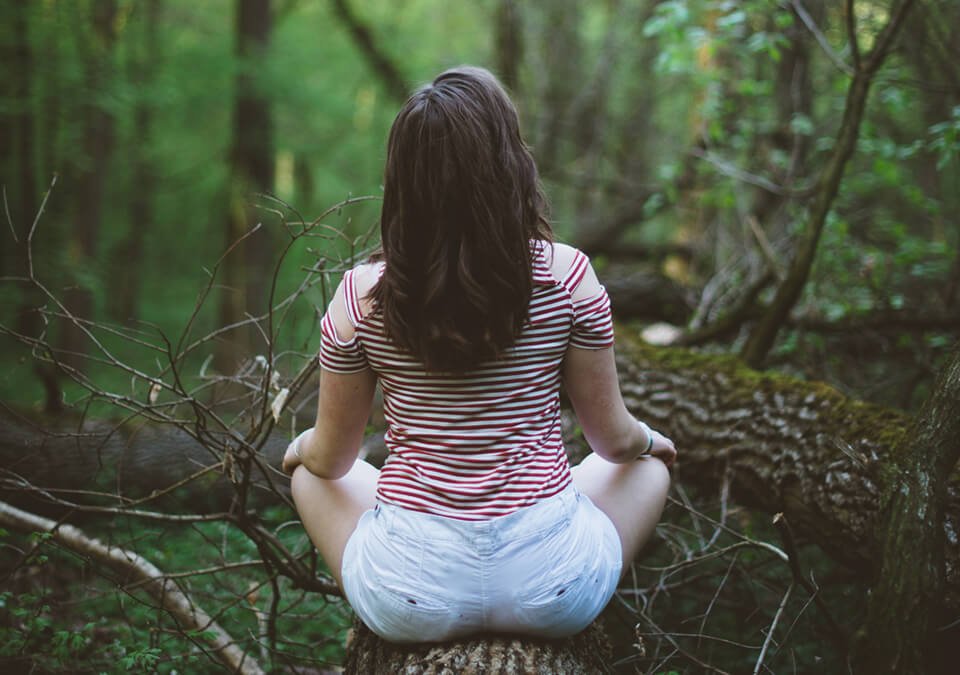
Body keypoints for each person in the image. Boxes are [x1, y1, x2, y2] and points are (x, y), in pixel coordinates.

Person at [282, 65, 675, 644]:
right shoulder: (567, 277)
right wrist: (648, 442)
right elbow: (610, 441)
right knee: (645, 470)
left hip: (413, 594)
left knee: (308, 480)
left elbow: (333, 462)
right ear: (508, 164)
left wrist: (299, 449)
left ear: (404, 181)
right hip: (551, 587)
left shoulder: (360, 297)